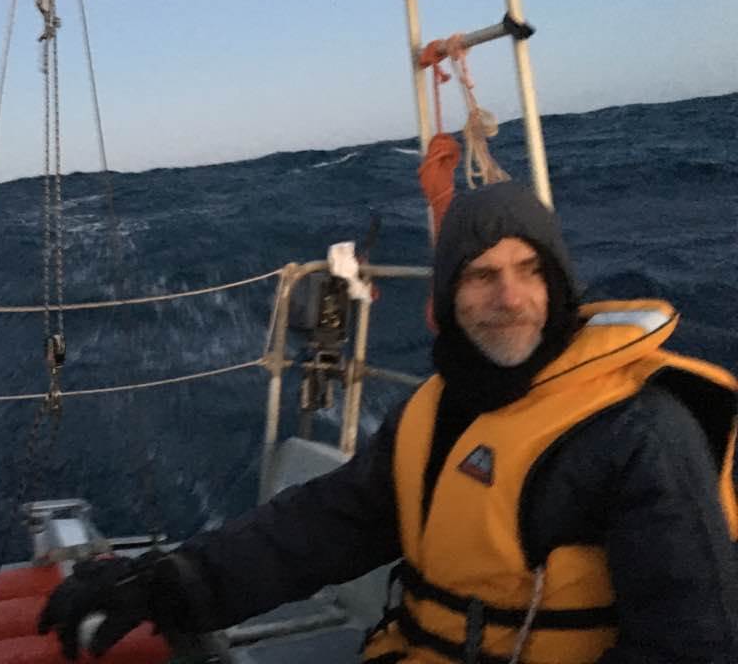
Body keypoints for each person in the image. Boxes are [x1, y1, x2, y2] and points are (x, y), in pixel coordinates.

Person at [39, 182, 738, 663]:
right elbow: (322, 527)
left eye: (530, 270)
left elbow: (693, 644)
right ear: (447, 297)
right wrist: (166, 583)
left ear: (558, 285)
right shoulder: (437, 410)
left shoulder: (638, 432)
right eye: (481, 275)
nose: (510, 297)